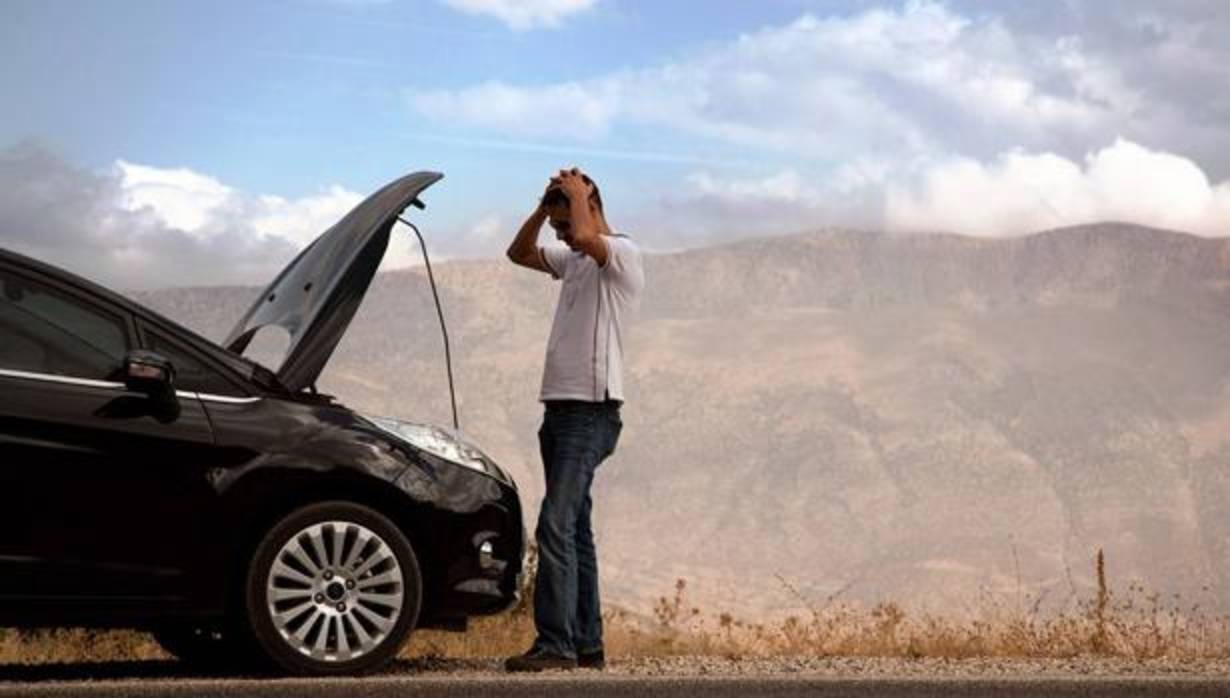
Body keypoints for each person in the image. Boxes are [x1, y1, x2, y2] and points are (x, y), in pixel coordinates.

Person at [503, 167, 645, 672]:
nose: (562, 236)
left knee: (555, 524)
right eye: (559, 229)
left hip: (590, 409)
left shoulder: (619, 253)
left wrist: (578, 197)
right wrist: (545, 211)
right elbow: (518, 253)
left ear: (591, 204)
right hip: (560, 408)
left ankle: (555, 644)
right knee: (576, 528)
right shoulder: (574, 261)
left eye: (565, 225)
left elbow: (587, 234)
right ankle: (587, 645)